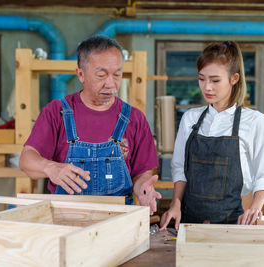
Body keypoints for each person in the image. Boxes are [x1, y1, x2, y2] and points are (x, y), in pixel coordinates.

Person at [19, 35, 161, 214]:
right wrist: (51, 168)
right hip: (66, 219)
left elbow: (141, 174)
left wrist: (143, 189)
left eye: (117, 75)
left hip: (117, 221)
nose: (110, 84)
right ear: (81, 74)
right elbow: (26, 160)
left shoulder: (135, 118)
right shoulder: (56, 112)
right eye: (101, 75)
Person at [160, 41, 264, 230]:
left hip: (231, 223)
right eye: (201, 79)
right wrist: (175, 204)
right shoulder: (190, 119)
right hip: (189, 221)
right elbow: (179, 168)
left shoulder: (255, 121)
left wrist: (255, 208)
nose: (207, 87)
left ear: (234, 78)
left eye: (215, 80)